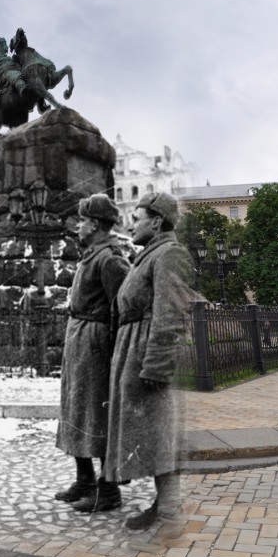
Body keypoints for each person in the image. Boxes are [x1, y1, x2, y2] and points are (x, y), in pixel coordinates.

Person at [105, 192, 193, 530]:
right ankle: (164, 504)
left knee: (159, 432)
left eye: (138, 217)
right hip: (134, 348)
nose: (131, 223)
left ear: (156, 221)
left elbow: (170, 314)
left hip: (146, 351)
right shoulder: (148, 255)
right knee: (153, 432)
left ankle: (169, 509)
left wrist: (156, 366)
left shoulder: (169, 254)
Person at [54, 194, 130, 513]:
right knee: (76, 411)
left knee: (96, 416)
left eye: (83, 221)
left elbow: (122, 308)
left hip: (95, 347)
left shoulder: (110, 259)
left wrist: (111, 350)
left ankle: (109, 490)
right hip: (80, 342)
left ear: (96, 224)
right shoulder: (91, 254)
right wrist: (74, 308)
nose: (78, 226)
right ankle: (84, 480)